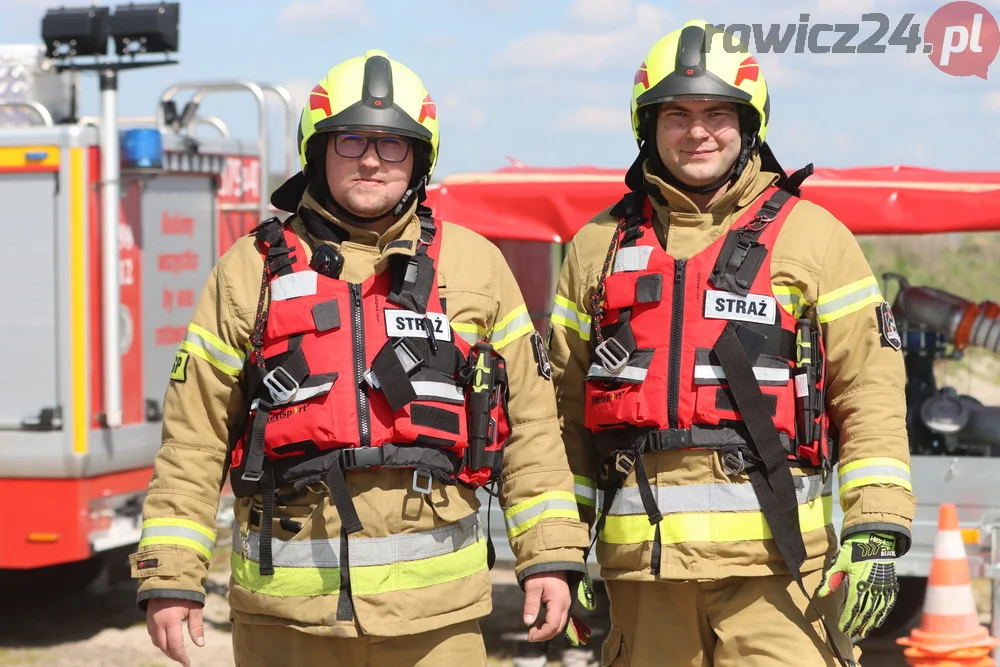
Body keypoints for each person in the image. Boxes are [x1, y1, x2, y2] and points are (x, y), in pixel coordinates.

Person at [129, 49, 590, 667]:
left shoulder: (476, 267)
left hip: (438, 621)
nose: (371, 159)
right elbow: (194, 438)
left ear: (420, 158)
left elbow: (532, 428)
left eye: (392, 144)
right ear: (317, 151)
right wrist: (171, 577)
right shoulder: (247, 272)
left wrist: (549, 557)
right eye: (350, 140)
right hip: (286, 618)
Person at [547, 20, 916, 667]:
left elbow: (870, 391)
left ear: (750, 124)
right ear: (647, 124)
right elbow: (559, 420)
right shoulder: (595, 249)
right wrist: (556, 549)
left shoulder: (815, 238)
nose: (697, 131)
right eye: (678, 113)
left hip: (781, 580)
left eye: (718, 112)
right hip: (643, 581)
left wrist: (876, 526)